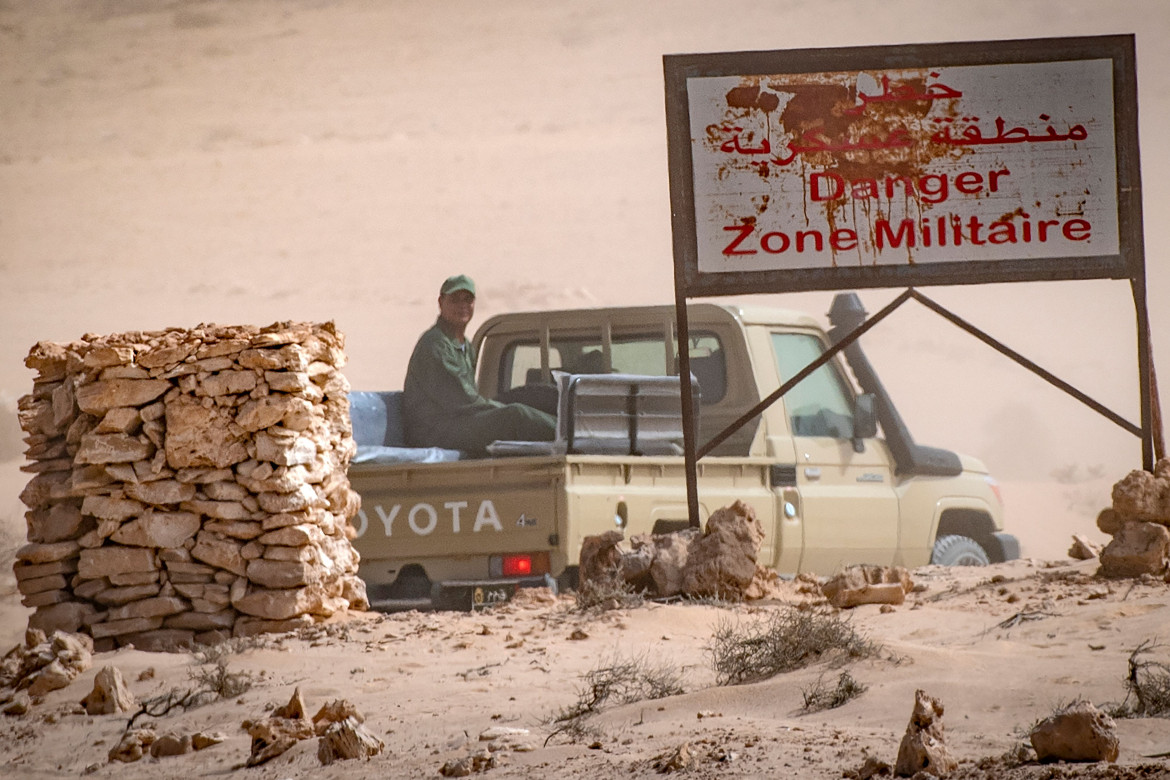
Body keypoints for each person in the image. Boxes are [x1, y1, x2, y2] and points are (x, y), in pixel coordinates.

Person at [402, 274, 556, 455]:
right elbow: (462, 399)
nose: (462, 306)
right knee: (515, 415)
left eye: (468, 300)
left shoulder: (464, 345)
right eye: (455, 300)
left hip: (458, 419)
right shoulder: (435, 344)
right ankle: (574, 435)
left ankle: (572, 425)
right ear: (441, 302)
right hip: (435, 430)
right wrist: (502, 408)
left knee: (531, 395)